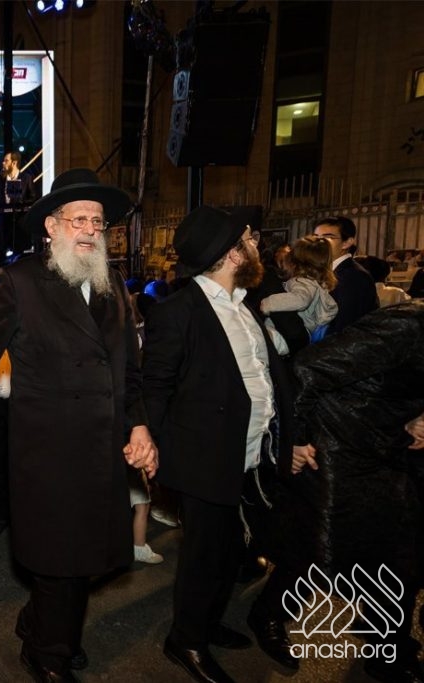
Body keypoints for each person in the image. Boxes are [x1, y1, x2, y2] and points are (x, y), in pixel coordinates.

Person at [0, 169, 157, 681]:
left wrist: (139, 427)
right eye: (78, 219)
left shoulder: (112, 286)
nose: (89, 230)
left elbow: (129, 372)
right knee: (60, 560)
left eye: (98, 222)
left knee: (93, 557)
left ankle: (41, 623)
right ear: (51, 226)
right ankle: (47, 653)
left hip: (102, 448)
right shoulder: (19, 283)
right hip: (47, 450)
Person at [142, 206, 312, 682]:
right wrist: (160, 456)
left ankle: (208, 622)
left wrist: (288, 441)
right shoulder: (178, 311)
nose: (257, 245)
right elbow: (154, 388)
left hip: (254, 455)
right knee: (204, 557)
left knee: (232, 552)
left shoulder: (243, 303)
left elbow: (269, 381)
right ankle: (186, 640)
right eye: (249, 239)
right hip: (205, 460)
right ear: (231, 253)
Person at [292, 301, 424, 683]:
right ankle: (387, 651)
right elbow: (307, 368)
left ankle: (382, 633)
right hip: (347, 445)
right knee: (335, 548)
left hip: (389, 446)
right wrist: (294, 441)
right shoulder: (406, 326)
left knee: (399, 550)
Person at [259, 235, 338, 343]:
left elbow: (301, 299)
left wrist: (269, 303)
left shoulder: (302, 282)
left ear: (294, 262)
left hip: (282, 335)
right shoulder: (312, 283)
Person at [312, 216, 378, 335]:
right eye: (316, 237)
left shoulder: (354, 276)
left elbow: (345, 326)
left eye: (327, 237)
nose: (319, 243)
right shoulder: (324, 271)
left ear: (347, 242)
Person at [0, 151, 37, 259]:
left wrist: (21, 204)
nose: (3, 163)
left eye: (6, 161)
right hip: (3, 222)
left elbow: (33, 197)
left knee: (18, 255)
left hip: (19, 222)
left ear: (14, 163)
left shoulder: (26, 178)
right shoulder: (1, 180)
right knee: (1, 254)